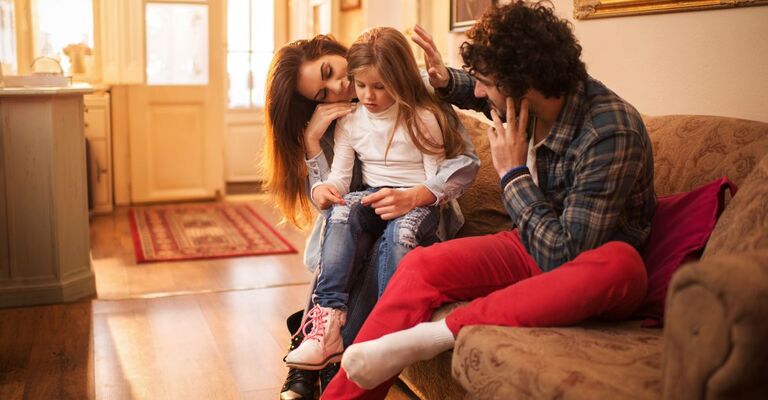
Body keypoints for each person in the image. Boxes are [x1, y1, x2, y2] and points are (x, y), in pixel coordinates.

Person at [321, 1, 657, 398]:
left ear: (521, 82)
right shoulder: (529, 99)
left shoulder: (608, 132)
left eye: (487, 82)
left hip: (581, 265)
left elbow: (563, 258)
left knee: (620, 263)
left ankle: (436, 333)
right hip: (527, 240)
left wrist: (513, 174)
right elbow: (473, 93)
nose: (479, 91)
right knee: (421, 265)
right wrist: (444, 79)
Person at [263, 34, 480, 398]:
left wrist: (418, 195)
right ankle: (320, 344)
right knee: (344, 225)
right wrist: (313, 144)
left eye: (331, 71)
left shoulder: (416, 97)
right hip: (360, 219)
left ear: (333, 49)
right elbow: (331, 197)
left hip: (413, 213)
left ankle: (325, 361)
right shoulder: (340, 117)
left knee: (382, 242)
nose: (341, 87)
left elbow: (462, 161)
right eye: (322, 92)